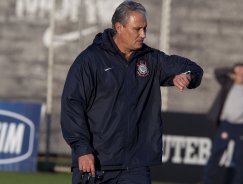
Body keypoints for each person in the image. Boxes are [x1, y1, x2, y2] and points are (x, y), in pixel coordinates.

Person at [60, 1, 203, 184]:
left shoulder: (151, 59)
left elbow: (193, 68)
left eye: (145, 29)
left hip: (135, 167)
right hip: (96, 163)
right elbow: (72, 105)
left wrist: (187, 77)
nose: (143, 34)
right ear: (119, 27)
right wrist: (82, 149)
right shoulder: (90, 61)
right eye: (137, 29)